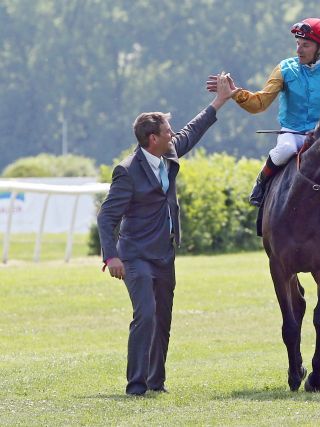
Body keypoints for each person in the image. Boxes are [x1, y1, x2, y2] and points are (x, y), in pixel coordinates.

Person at [97, 72, 233, 396]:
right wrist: (111, 256)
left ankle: (156, 383)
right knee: (145, 315)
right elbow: (106, 217)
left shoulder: (168, 154)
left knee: (163, 320)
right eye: (167, 132)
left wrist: (220, 101)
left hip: (164, 255)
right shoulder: (127, 172)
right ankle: (136, 386)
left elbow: (192, 131)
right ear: (152, 139)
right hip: (135, 256)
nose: (173, 135)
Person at [206, 17, 320, 206]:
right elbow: (259, 103)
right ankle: (261, 183)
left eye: (305, 45)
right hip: (291, 133)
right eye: (298, 44)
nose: (298, 50)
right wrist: (236, 93)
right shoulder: (285, 69)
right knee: (285, 149)